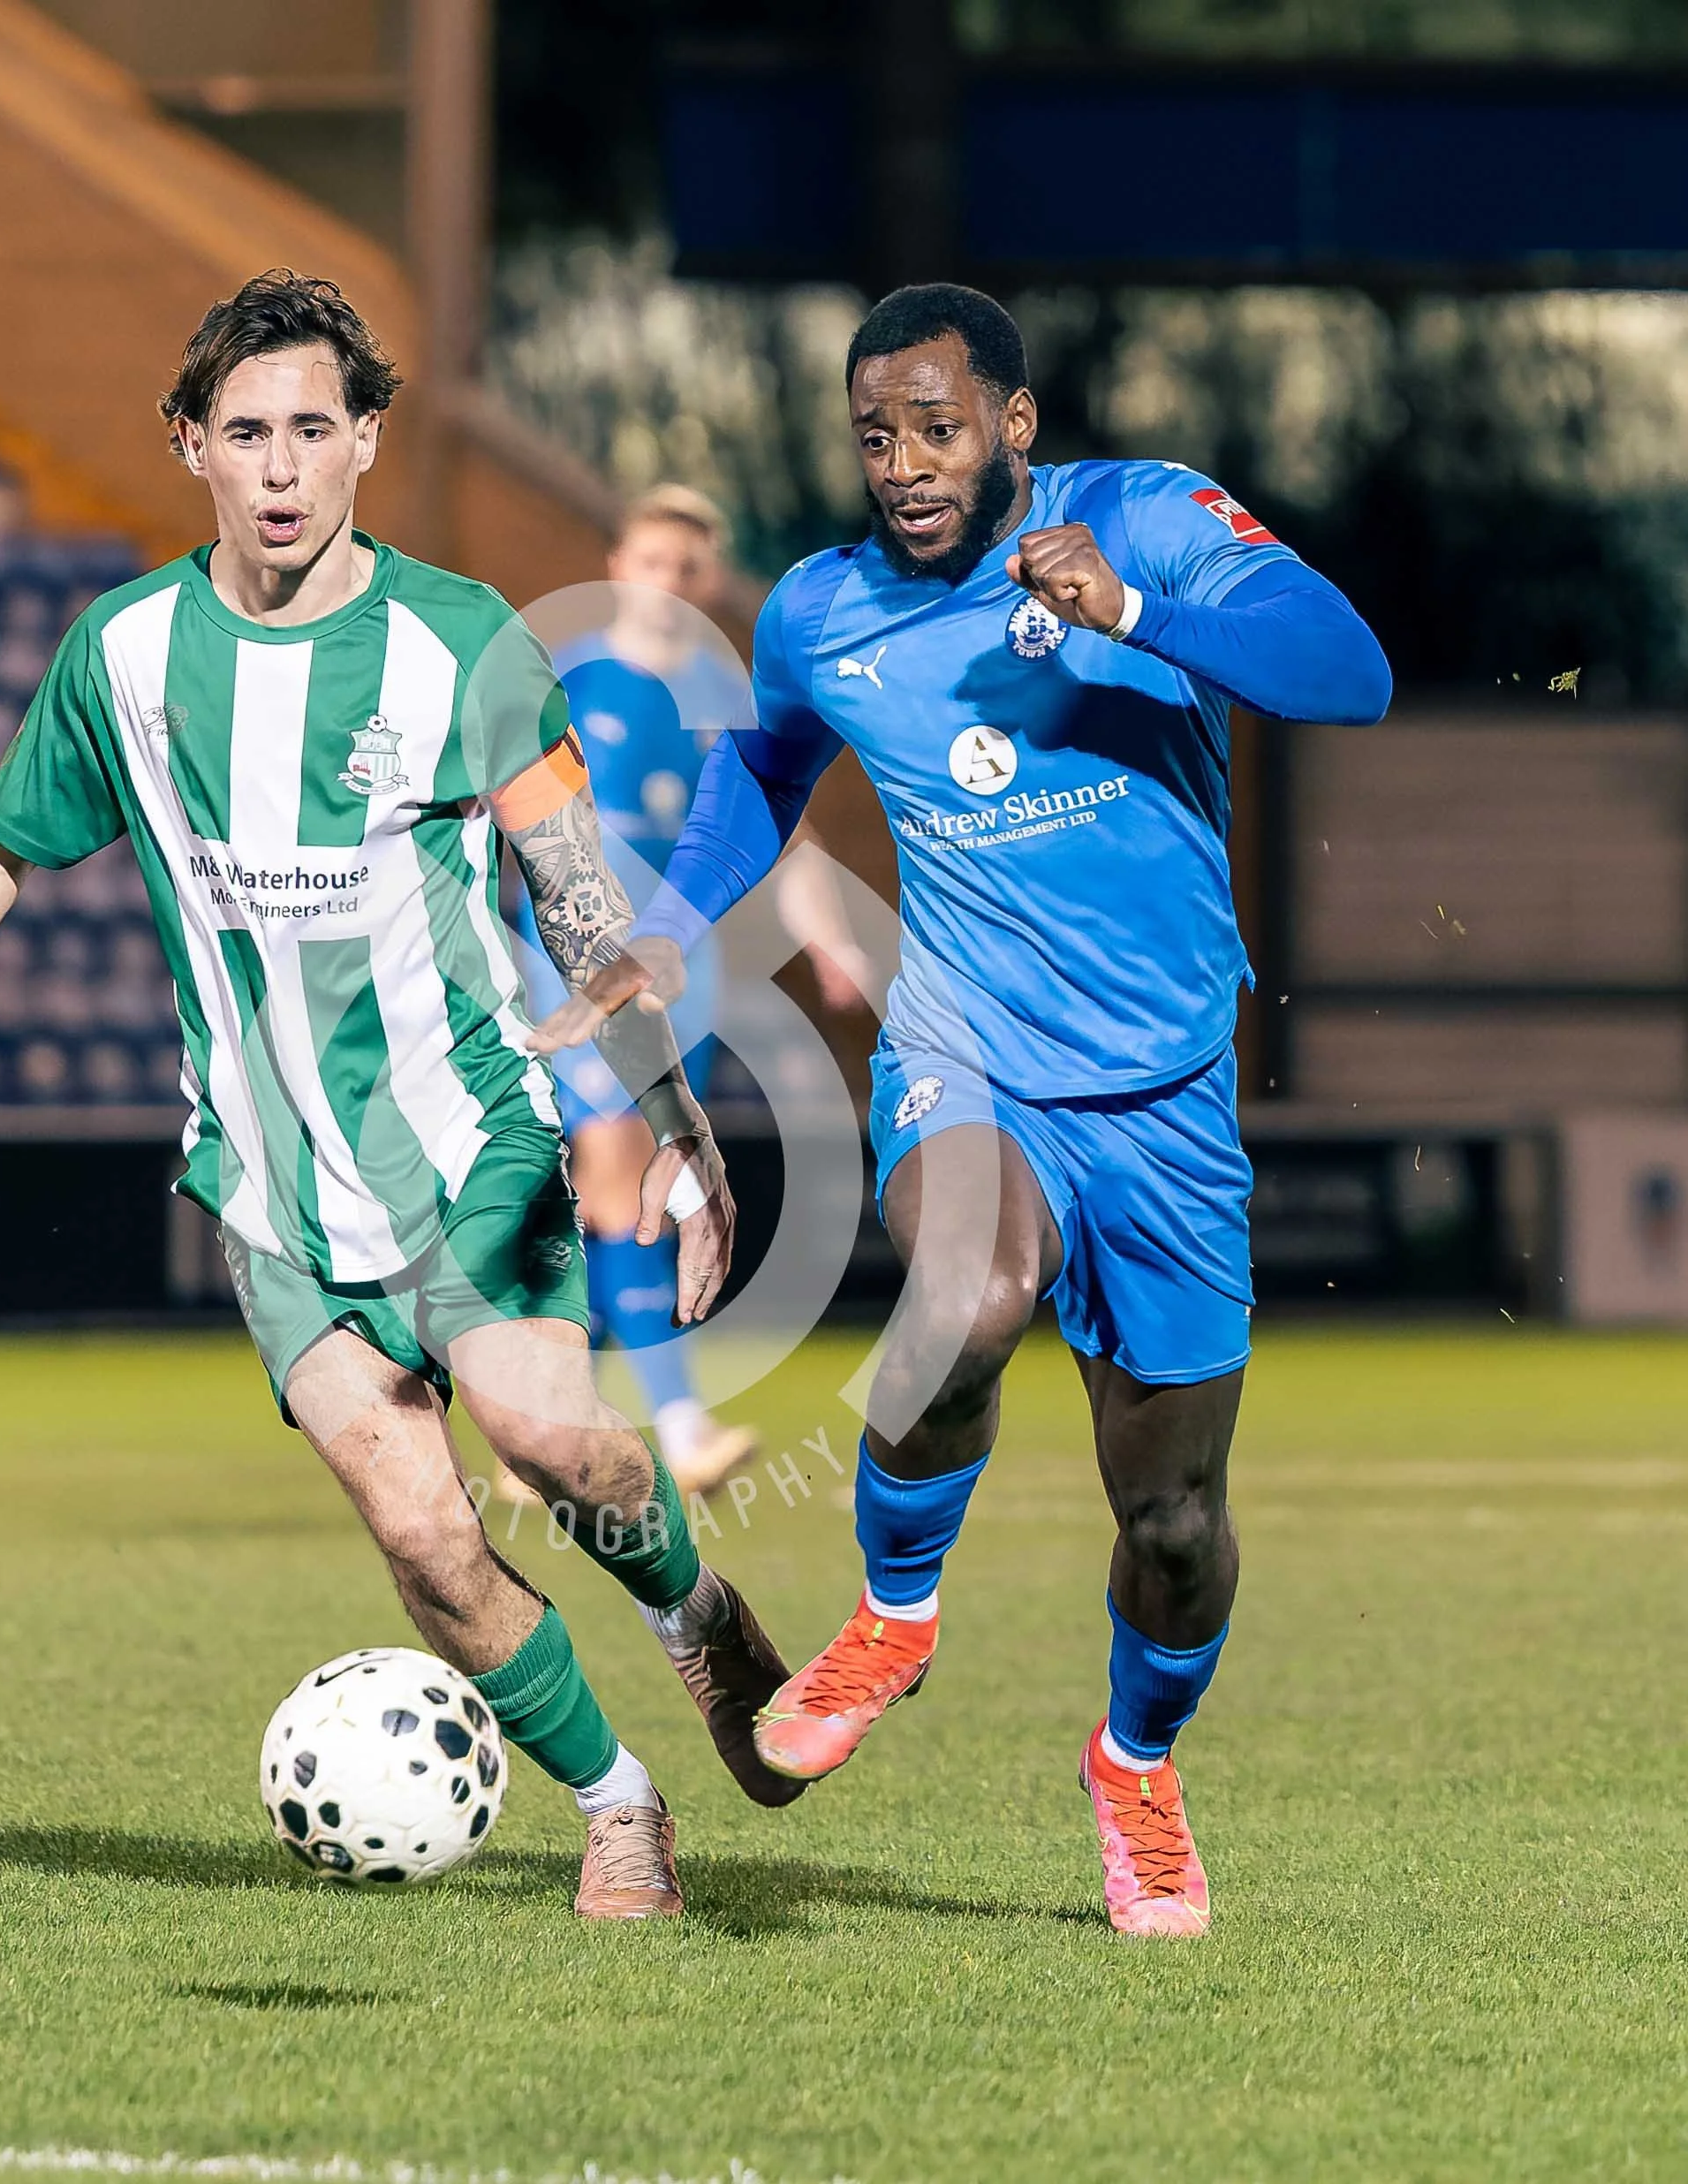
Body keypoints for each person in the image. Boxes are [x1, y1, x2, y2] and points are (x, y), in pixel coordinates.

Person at [0, 269, 806, 1922]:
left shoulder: (464, 642)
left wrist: (673, 1117)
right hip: (272, 1194)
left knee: (544, 1435)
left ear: (367, 440)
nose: (280, 466)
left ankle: (695, 1616)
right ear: (190, 447)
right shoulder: (128, 655)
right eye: (244, 431)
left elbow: (577, 898)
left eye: (313, 427)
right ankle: (620, 1808)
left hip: (473, 1140)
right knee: (426, 1543)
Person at [551, 284, 1391, 1936]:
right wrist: (665, 923)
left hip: (1162, 1087)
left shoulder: (1136, 516)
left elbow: (1346, 673)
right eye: (876, 435)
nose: (905, 465)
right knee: (961, 1294)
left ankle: (1135, 1769)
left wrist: (1138, 608)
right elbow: (765, 772)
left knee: (1173, 1520)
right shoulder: (821, 609)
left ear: (1014, 423)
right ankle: (892, 1612)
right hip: (969, 1042)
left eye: (938, 428)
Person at [507, 484, 873, 1501]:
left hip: (686, 965)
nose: (668, 585)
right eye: (652, 564)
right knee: (622, 1178)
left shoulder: (722, 685)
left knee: (635, 1187)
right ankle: (676, 1424)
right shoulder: (567, 673)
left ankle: (536, 1423)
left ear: (705, 580)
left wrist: (832, 941)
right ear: (620, 564)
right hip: (582, 954)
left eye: (687, 571)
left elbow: (783, 831)